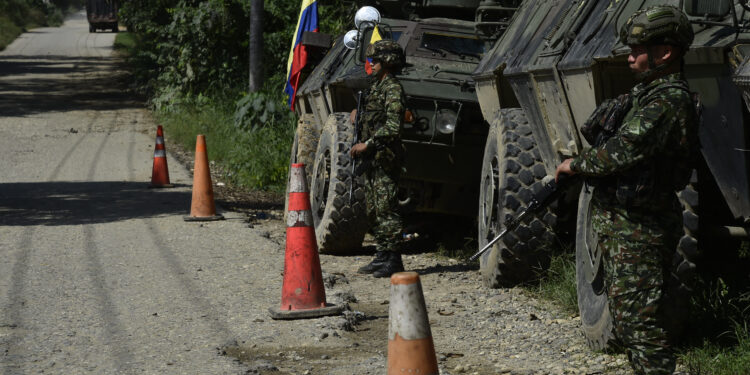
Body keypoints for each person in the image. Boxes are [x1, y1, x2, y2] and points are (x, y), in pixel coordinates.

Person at [555, 5, 698, 375]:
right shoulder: (648, 94)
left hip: (641, 228)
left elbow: (622, 151)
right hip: (626, 225)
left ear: (664, 53)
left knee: (642, 327)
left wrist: (576, 165)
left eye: (637, 49)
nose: (630, 56)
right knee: (630, 320)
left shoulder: (669, 100)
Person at [350, 39, 407, 278]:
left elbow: (394, 126)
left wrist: (368, 144)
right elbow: (374, 117)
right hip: (373, 160)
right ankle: (382, 255)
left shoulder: (392, 88)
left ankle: (393, 260)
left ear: (387, 62)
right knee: (374, 209)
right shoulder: (376, 87)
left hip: (385, 157)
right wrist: (358, 116)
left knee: (386, 209)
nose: (371, 64)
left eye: (375, 60)